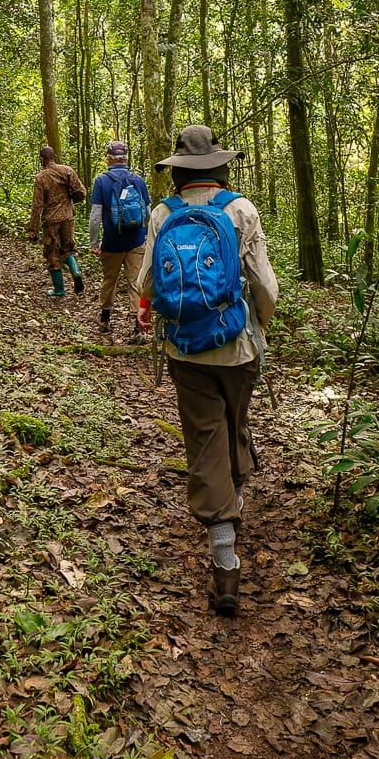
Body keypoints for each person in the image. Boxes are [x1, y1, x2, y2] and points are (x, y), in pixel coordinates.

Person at [135, 124, 278, 617]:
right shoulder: (241, 210)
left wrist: (151, 307)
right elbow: (264, 286)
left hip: (185, 351)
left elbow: (148, 283)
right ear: (219, 166)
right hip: (238, 347)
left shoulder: (162, 214)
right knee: (235, 424)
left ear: (179, 172)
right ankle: (229, 539)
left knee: (207, 437)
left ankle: (224, 557)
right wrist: (259, 322)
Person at [87, 140, 153, 344]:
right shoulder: (138, 181)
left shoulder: (102, 181)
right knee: (136, 282)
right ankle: (139, 328)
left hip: (112, 242)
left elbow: (96, 216)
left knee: (110, 280)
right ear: (126, 159)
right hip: (136, 240)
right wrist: (145, 236)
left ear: (108, 158)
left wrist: (94, 242)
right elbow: (148, 213)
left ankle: (105, 320)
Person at [28, 145, 87, 299]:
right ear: (54, 157)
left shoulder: (41, 178)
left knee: (52, 254)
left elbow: (37, 205)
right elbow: (81, 192)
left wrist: (32, 228)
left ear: (42, 160)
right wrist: (71, 200)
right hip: (68, 217)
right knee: (68, 248)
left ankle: (59, 290)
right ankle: (76, 272)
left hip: (51, 221)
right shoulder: (67, 171)